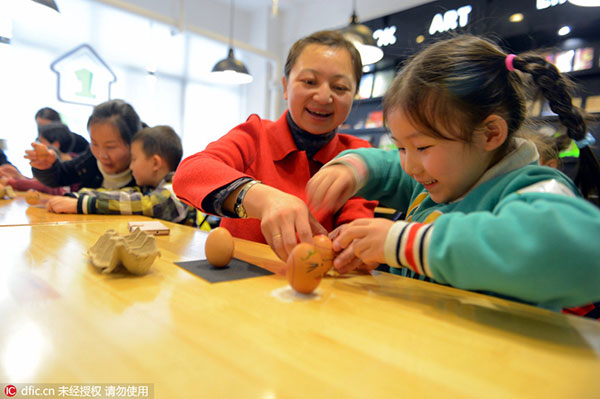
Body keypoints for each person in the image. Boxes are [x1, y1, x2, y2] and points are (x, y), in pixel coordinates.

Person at [306, 35, 600, 313]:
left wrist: (405, 242)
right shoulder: (440, 176)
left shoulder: (533, 188)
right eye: (401, 147)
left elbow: (582, 255)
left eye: (422, 146)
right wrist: (354, 169)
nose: (409, 165)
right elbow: (388, 166)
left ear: (490, 134)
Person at [173, 30, 377, 261]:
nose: (323, 96)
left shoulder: (357, 157)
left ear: (354, 96)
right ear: (285, 86)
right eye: (309, 81)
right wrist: (263, 199)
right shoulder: (255, 135)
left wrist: (354, 246)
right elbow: (189, 173)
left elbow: (356, 229)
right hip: (234, 286)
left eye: (340, 87)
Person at [46, 126, 209, 229]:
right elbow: (124, 194)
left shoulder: (177, 190)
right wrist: (80, 196)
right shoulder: (150, 188)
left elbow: (145, 205)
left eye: (134, 159)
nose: (130, 166)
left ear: (155, 163)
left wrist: (83, 204)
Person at [27, 99, 142, 190]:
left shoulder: (148, 166)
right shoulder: (91, 158)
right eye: (95, 143)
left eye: (110, 147)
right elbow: (61, 175)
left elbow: (146, 202)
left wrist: (83, 203)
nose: (101, 155)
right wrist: (47, 168)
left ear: (133, 142)